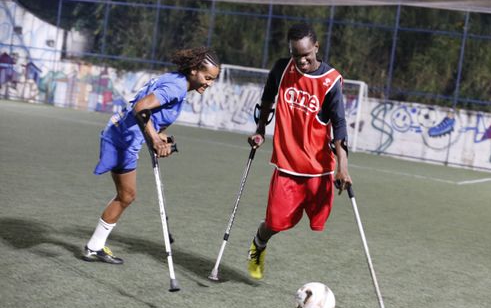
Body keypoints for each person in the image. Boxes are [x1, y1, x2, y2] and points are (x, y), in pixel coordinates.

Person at [82, 47, 220, 264]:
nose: (209, 83)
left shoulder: (175, 80)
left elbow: (151, 115)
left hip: (121, 134)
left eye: (213, 80)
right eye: (207, 77)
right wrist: (154, 139)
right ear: (194, 70)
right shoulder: (177, 87)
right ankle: (93, 247)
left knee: (126, 195)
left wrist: (161, 136)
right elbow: (141, 108)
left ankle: (94, 247)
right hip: (122, 139)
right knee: (127, 195)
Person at [246, 23, 352, 280]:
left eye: (306, 54)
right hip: (287, 166)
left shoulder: (330, 82)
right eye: (296, 55)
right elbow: (268, 98)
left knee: (318, 223)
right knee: (275, 223)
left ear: (316, 47)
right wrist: (260, 130)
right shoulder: (282, 69)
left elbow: (339, 125)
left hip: (319, 170)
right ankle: (259, 244)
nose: (302, 61)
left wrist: (343, 168)